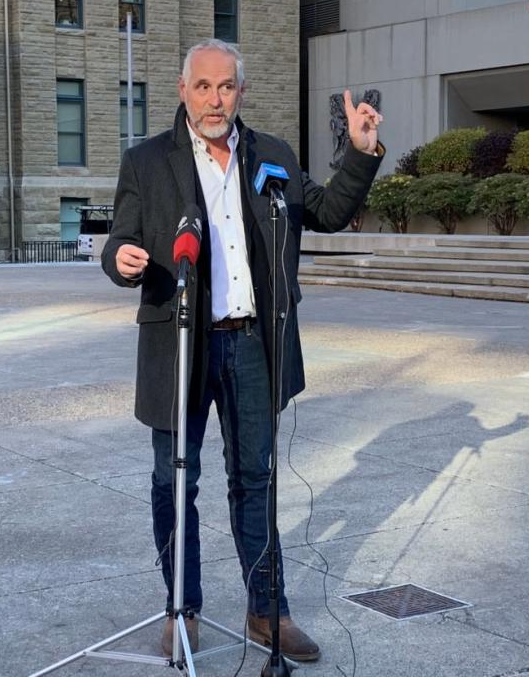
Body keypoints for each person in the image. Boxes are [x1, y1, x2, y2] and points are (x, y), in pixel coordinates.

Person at [101, 38, 383, 661]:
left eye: (225, 87)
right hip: (179, 346)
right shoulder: (147, 161)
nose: (214, 98)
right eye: (202, 86)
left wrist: (361, 155)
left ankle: (268, 612)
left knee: (255, 479)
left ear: (241, 93)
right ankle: (184, 609)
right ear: (183, 91)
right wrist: (120, 261)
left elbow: (330, 211)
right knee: (174, 481)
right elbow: (119, 239)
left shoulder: (271, 156)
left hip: (253, 343)